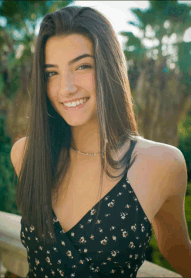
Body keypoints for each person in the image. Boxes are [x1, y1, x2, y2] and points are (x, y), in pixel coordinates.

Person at [10, 5, 190, 278]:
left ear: (109, 67)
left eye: (82, 66)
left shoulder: (161, 164)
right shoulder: (26, 153)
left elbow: (176, 249)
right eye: (51, 73)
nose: (66, 87)